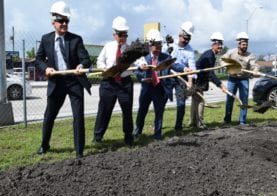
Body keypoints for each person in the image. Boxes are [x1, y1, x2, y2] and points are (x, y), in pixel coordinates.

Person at [35, 1, 92, 158]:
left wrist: (81, 64)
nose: (65, 24)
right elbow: (38, 59)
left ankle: (79, 151)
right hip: (56, 82)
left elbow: (86, 59)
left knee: (78, 116)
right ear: (53, 22)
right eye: (61, 20)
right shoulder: (46, 39)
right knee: (49, 116)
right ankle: (44, 145)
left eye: (67, 20)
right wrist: (46, 68)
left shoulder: (76, 39)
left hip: (74, 81)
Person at [133, 29, 190, 139]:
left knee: (159, 112)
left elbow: (175, 65)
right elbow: (136, 71)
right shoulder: (143, 57)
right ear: (150, 45)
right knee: (142, 110)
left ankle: (157, 134)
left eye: (160, 44)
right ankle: (137, 132)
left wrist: (184, 68)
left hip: (160, 88)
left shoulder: (165, 57)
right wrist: (143, 78)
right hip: (146, 88)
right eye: (157, 45)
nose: (159, 47)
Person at [93, 16, 134, 146]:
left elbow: (139, 61)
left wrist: (142, 65)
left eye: (125, 35)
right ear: (114, 34)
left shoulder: (131, 49)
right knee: (104, 110)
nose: (123, 38)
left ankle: (128, 137)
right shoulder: (108, 47)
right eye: (120, 35)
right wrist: (104, 69)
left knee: (127, 111)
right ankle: (97, 136)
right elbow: (99, 61)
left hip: (124, 83)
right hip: (108, 83)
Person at [162, 21, 196, 132]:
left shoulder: (190, 49)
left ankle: (178, 127)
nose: (186, 41)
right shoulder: (169, 45)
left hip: (181, 79)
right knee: (161, 102)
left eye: (188, 39)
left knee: (181, 103)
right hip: (168, 76)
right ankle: (158, 126)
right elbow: (162, 59)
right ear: (180, 35)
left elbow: (191, 66)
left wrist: (190, 81)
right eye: (185, 38)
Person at [189, 32, 227, 129]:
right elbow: (210, 73)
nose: (220, 47)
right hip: (198, 80)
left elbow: (209, 72)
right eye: (219, 45)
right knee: (200, 101)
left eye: (221, 45)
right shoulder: (209, 56)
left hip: (197, 79)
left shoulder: (211, 54)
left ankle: (192, 122)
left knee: (195, 101)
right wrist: (220, 85)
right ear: (213, 44)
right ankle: (199, 123)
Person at [222, 32, 259, 125]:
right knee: (230, 99)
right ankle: (227, 120)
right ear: (238, 44)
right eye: (243, 44)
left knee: (244, 100)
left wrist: (256, 70)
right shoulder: (231, 52)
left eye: (246, 44)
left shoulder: (250, 55)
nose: (245, 46)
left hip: (244, 79)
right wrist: (226, 65)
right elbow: (222, 60)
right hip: (232, 79)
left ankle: (242, 121)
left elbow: (254, 66)